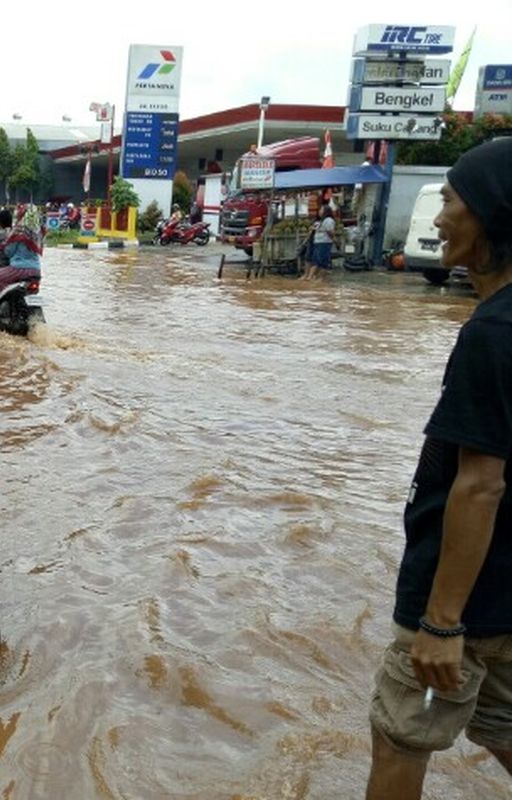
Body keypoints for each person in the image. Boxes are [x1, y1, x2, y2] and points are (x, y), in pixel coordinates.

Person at [366, 138, 512, 799]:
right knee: (503, 730)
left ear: (489, 213)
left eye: (450, 200)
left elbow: (480, 483)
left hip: (466, 602)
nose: (436, 218)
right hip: (508, 599)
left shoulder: (492, 333)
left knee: (400, 741)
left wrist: (441, 623)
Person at [300, 204, 335, 281]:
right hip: (318, 242)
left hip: (324, 242)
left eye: (321, 210)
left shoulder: (328, 220)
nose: (320, 211)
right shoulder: (320, 221)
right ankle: (311, 276)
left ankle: (319, 277)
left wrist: (330, 236)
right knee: (316, 260)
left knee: (322, 261)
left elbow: (330, 232)